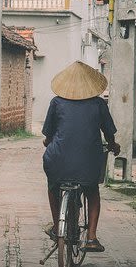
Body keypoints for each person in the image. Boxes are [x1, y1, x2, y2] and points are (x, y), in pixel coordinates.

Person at [42, 61, 120, 252]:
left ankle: (55, 226)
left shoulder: (56, 103)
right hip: (88, 160)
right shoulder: (98, 104)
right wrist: (112, 145)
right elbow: (109, 133)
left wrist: (49, 142)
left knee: (53, 186)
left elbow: (48, 136)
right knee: (92, 191)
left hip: (58, 160)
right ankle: (92, 237)